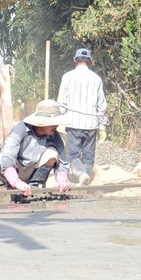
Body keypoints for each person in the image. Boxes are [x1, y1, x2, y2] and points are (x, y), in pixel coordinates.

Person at [0, 99, 71, 198]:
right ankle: (14, 188)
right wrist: (16, 182)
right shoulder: (20, 129)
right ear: (41, 123)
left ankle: (34, 185)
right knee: (2, 160)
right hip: (15, 169)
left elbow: (63, 162)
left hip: (32, 169)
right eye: (52, 123)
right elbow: (7, 156)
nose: (56, 125)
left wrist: (62, 180)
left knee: (52, 153)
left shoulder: (54, 135)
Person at [57, 47, 108, 184]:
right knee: (88, 156)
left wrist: (57, 120)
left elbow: (61, 103)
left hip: (73, 123)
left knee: (73, 154)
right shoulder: (96, 79)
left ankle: (80, 175)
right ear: (90, 60)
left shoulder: (67, 77)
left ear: (75, 59)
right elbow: (102, 105)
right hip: (91, 124)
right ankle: (87, 181)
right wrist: (102, 125)